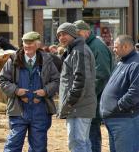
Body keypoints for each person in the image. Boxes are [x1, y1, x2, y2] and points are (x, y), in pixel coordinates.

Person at [0, 31, 60, 152]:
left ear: (38, 44)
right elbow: (2, 80)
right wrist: (16, 91)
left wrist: (45, 91)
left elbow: (56, 80)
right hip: (18, 109)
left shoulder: (47, 61)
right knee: (13, 145)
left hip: (40, 110)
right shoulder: (13, 60)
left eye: (30, 43)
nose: (27, 46)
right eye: (25, 43)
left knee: (39, 147)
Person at [74, 20, 114, 152]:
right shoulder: (87, 45)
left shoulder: (96, 46)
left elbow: (101, 75)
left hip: (95, 98)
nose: (76, 36)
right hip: (91, 98)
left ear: (86, 32)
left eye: (78, 33)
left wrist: (86, 96)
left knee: (92, 133)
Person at [56, 23, 97, 152]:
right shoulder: (74, 50)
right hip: (77, 107)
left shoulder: (79, 51)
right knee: (82, 142)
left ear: (73, 34)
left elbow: (81, 81)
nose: (61, 37)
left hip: (78, 107)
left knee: (77, 143)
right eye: (59, 35)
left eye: (64, 34)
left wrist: (68, 103)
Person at [100, 35, 139, 152]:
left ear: (126, 46)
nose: (113, 49)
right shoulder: (122, 62)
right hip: (115, 119)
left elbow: (135, 91)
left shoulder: (135, 64)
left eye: (116, 47)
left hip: (125, 119)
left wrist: (119, 106)